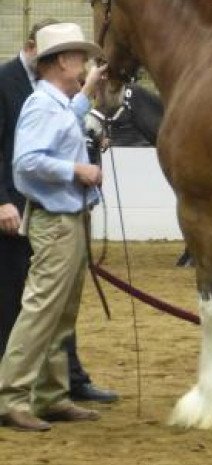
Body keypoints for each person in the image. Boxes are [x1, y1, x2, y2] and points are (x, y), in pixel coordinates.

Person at [0, 19, 118, 406]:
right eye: (81, 58)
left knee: (59, 315)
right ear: (63, 61)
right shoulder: (41, 105)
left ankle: (51, 395)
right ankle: (11, 397)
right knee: (40, 312)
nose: (85, 64)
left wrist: (85, 94)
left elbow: (66, 120)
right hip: (56, 222)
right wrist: (76, 169)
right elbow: (27, 162)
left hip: (67, 218)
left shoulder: (53, 103)